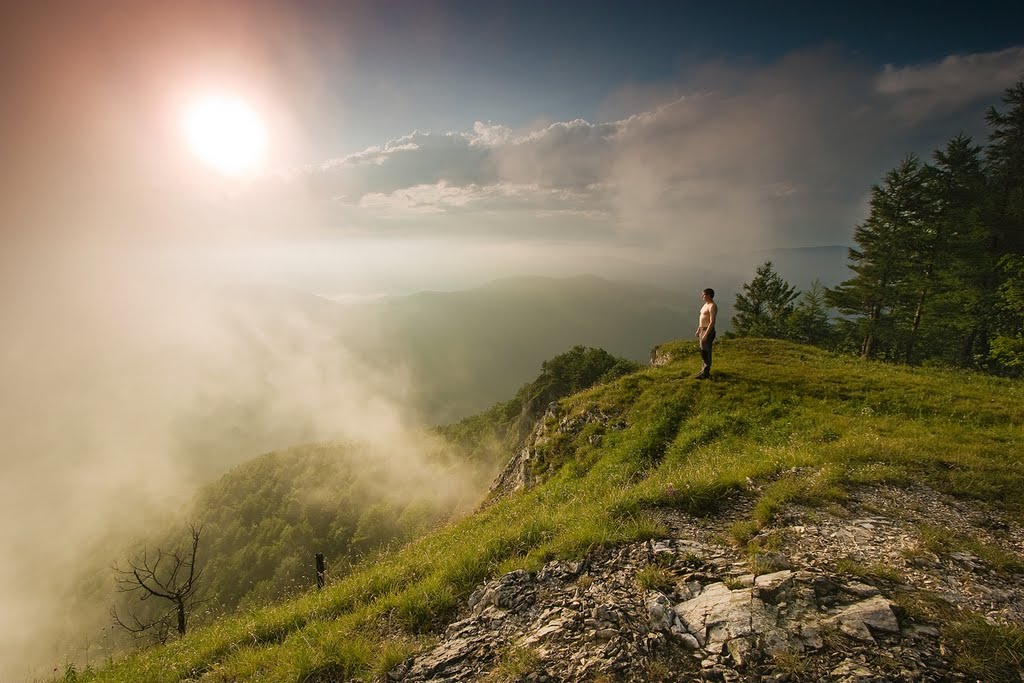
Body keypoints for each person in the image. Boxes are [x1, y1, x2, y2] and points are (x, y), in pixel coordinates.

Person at [694, 288, 717, 379]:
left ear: (708, 295)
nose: (702, 296)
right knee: (702, 350)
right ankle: (703, 369)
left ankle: (706, 372)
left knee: (706, 351)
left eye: (703, 295)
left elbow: (712, 322)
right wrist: (699, 330)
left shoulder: (712, 306)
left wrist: (706, 334)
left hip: (707, 330)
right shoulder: (705, 305)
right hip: (702, 329)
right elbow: (702, 318)